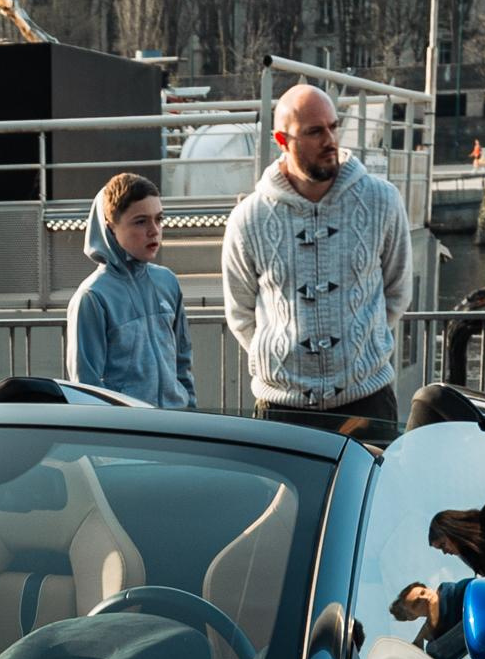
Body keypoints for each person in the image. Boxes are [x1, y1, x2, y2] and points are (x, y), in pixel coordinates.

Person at [222, 81, 413, 441]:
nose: (330, 140)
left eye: (333, 126)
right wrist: (285, 361)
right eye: (314, 131)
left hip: (367, 403)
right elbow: (240, 313)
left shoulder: (382, 201)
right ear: (283, 140)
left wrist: (358, 349)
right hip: (282, 408)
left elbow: (397, 291)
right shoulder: (248, 219)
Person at [67, 171, 196, 407]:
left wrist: (191, 412)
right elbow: (86, 385)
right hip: (128, 426)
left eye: (159, 219)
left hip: (176, 421)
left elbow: (182, 362)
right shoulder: (93, 296)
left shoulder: (167, 281)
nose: (154, 230)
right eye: (141, 221)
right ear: (110, 227)